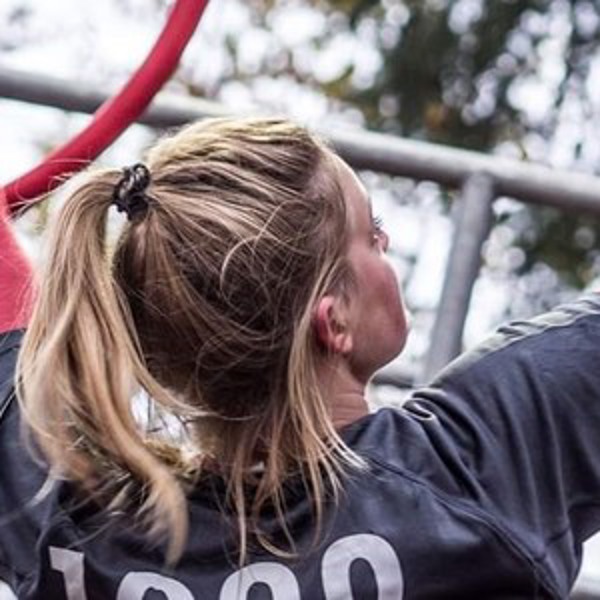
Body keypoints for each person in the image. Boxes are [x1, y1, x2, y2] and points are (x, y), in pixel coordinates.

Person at [0, 116, 599, 600]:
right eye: (372, 233)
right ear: (334, 320)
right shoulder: (471, 471)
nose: (386, 243)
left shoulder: (69, 520)